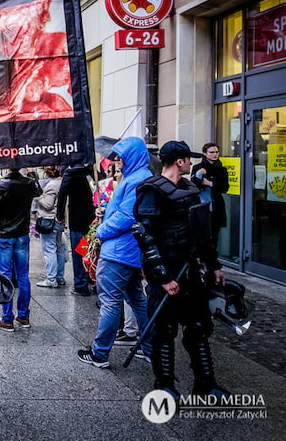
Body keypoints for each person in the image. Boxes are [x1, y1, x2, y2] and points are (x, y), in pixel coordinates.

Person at [134, 140, 228, 398]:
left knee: (198, 327)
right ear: (180, 161)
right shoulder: (151, 190)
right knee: (164, 331)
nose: (190, 163)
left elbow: (202, 234)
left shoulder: (189, 188)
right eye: (188, 159)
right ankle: (164, 384)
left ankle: (206, 384)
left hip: (192, 272)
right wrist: (162, 277)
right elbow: (146, 236)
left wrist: (214, 265)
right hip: (167, 272)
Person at [77, 137, 152, 368]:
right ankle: (149, 347)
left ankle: (100, 353)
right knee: (137, 299)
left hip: (118, 251)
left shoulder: (137, 179)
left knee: (110, 301)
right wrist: (107, 209)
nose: (116, 160)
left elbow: (127, 216)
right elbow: (124, 210)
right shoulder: (138, 177)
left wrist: (101, 230)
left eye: (121, 156)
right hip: (129, 252)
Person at [0, 168, 41, 331]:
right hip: (22, 235)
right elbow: (38, 191)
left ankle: (7, 318)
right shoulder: (29, 183)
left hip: (4, 236)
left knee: (5, 276)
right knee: (23, 276)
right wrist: (32, 174)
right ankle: (23, 316)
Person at [58, 164, 97, 296]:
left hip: (76, 218)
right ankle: (91, 279)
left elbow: (62, 194)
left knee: (78, 252)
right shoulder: (90, 172)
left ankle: (80, 284)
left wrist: (60, 214)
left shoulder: (70, 174)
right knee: (90, 250)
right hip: (92, 216)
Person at [35, 165, 67, 287]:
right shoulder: (61, 182)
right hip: (58, 221)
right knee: (58, 249)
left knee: (49, 250)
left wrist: (38, 197)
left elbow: (48, 204)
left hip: (49, 221)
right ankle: (59, 276)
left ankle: (51, 279)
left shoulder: (52, 185)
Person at [191, 143, 228, 247]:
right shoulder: (198, 167)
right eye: (211, 152)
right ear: (204, 153)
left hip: (216, 207)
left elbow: (225, 188)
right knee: (201, 238)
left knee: (214, 238)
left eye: (216, 152)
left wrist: (210, 184)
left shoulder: (222, 169)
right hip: (202, 206)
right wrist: (198, 176)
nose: (214, 154)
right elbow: (193, 186)